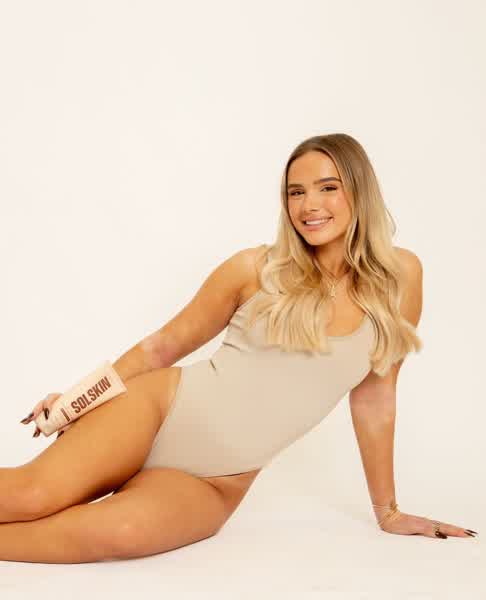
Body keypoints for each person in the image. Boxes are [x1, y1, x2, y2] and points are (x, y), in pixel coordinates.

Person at [4, 133, 477, 565]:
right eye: (296, 192)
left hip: (217, 482)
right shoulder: (254, 268)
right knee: (31, 496)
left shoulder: (401, 279)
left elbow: (376, 397)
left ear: (360, 191)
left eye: (328, 188)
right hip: (156, 413)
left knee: (119, 534)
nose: (309, 205)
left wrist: (388, 511)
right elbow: (159, 348)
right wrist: (71, 404)